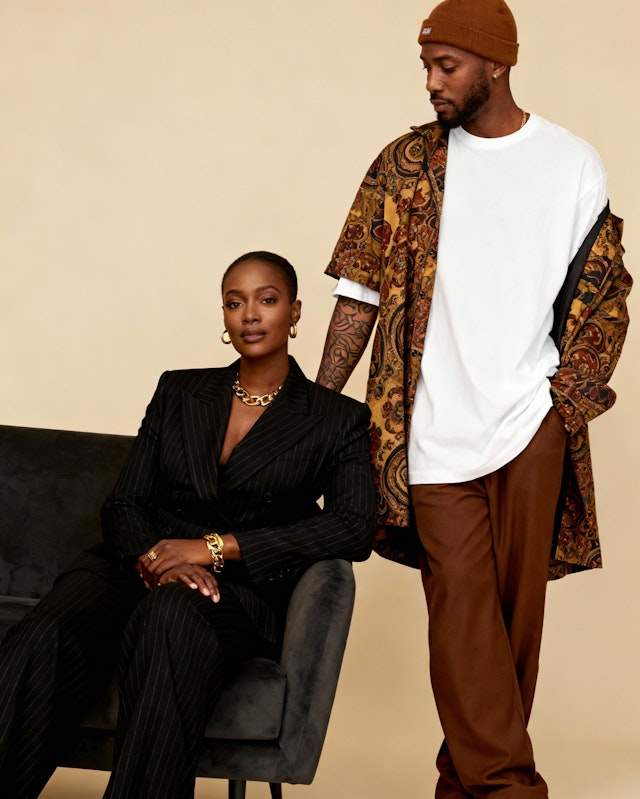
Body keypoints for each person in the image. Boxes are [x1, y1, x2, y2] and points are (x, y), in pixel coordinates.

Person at [316, 1, 632, 796]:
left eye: (447, 66)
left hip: (531, 425)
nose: (431, 82)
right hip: (428, 435)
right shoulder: (404, 165)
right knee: (462, 623)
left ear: (498, 62)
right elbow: (358, 294)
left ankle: (461, 786)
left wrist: (564, 405)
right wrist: (315, 406)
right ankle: (513, 789)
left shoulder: (571, 164)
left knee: (512, 633)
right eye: (427, 66)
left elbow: (605, 295)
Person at [0, 250, 376, 799]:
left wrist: (214, 548)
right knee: (49, 629)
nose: (250, 314)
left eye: (267, 300)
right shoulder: (179, 391)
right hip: (136, 563)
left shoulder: (336, 418)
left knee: (172, 614)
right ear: (224, 316)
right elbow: (124, 504)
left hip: (236, 591)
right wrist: (159, 561)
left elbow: (353, 527)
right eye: (235, 302)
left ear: (294, 312)